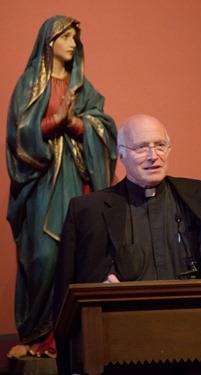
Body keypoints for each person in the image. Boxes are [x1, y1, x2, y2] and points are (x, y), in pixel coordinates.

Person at [53, 113, 201, 374]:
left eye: (159, 145)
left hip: (198, 332)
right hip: (125, 338)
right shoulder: (88, 209)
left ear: (169, 149)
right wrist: (103, 280)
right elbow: (80, 276)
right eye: (141, 147)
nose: (153, 156)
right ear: (121, 155)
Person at [6, 15, 117, 359]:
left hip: (75, 180)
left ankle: (68, 337)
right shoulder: (29, 84)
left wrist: (78, 124)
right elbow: (18, 136)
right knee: (43, 255)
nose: (73, 43)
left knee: (76, 254)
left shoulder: (81, 87)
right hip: (41, 184)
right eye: (66, 37)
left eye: (74, 37)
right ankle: (36, 336)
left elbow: (104, 128)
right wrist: (56, 121)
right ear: (49, 42)